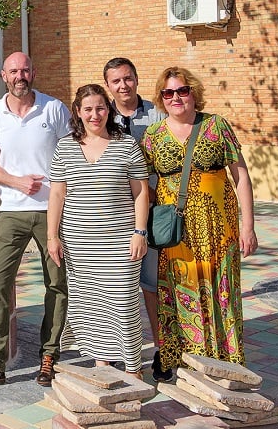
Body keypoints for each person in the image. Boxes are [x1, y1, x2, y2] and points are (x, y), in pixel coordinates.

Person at [0, 51, 72, 391]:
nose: (20, 76)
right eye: (14, 71)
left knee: (57, 284)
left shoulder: (53, 109)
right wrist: (19, 182)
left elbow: (70, 155)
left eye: (25, 70)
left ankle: (49, 355)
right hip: (12, 210)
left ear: (33, 72)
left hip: (53, 211)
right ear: (4, 75)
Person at [140, 66, 258, 377]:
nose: (176, 97)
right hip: (177, 233)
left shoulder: (216, 126)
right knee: (179, 291)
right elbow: (139, 181)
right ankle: (179, 359)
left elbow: (240, 176)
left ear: (194, 93)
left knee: (220, 291)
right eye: (169, 93)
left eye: (182, 91)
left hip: (218, 227)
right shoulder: (153, 135)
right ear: (161, 98)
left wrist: (248, 226)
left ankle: (224, 361)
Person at [47, 84, 150, 377]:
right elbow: (57, 195)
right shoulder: (65, 147)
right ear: (78, 113)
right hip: (80, 243)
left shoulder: (127, 145)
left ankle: (133, 368)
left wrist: (139, 232)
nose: (95, 115)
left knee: (123, 301)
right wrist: (52, 236)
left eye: (101, 108)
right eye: (88, 109)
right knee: (91, 303)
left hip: (120, 241)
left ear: (110, 109)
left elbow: (141, 192)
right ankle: (102, 365)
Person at [103, 56, 166, 379]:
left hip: (152, 214)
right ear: (108, 86)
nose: (123, 85)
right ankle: (115, 350)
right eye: (116, 81)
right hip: (114, 218)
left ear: (136, 79)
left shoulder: (158, 114)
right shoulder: (102, 116)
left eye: (128, 78)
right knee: (116, 287)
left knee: (152, 286)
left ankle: (161, 350)